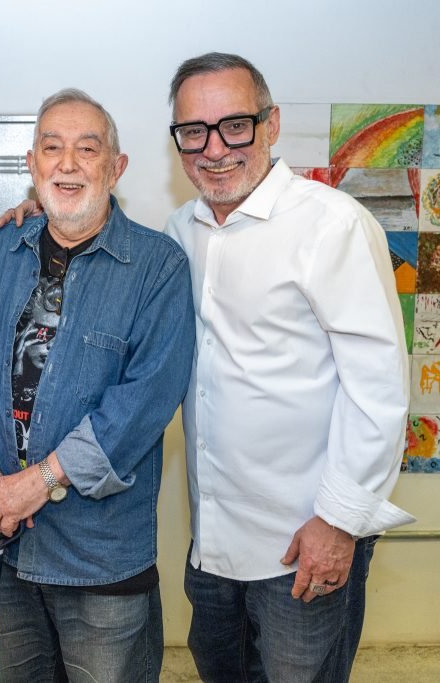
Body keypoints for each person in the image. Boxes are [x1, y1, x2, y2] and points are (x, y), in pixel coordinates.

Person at [163, 52, 413, 683]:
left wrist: (338, 522)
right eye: (193, 130)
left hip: (303, 543)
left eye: (235, 125)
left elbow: (378, 389)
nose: (214, 148)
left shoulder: (332, 225)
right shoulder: (179, 230)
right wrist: (36, 219)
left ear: (271, 124)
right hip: (213, 542)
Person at [0, 88, 194, 683]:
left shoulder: (158, 268)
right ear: (33, 165)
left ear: (116, 166)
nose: (68, 163)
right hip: (11, 546)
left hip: (101, 560)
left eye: (88, 148)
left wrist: (34, 486)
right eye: (52, 148)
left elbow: (139, 406)